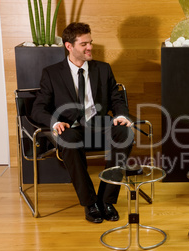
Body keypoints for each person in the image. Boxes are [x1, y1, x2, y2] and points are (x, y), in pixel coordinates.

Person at [31, 22, 134, 223]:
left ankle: (106, 200)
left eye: (91, 42)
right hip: (71, 127)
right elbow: (37, 108)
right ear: (69, 46)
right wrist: (54, 122)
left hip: (99, 125)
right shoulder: (52, 73)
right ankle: (90, 203)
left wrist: (121, 115)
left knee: (125, 134)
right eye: (84, 44)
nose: (90, 47)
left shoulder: (103, 69)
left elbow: (116, 99)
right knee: (67, 139)